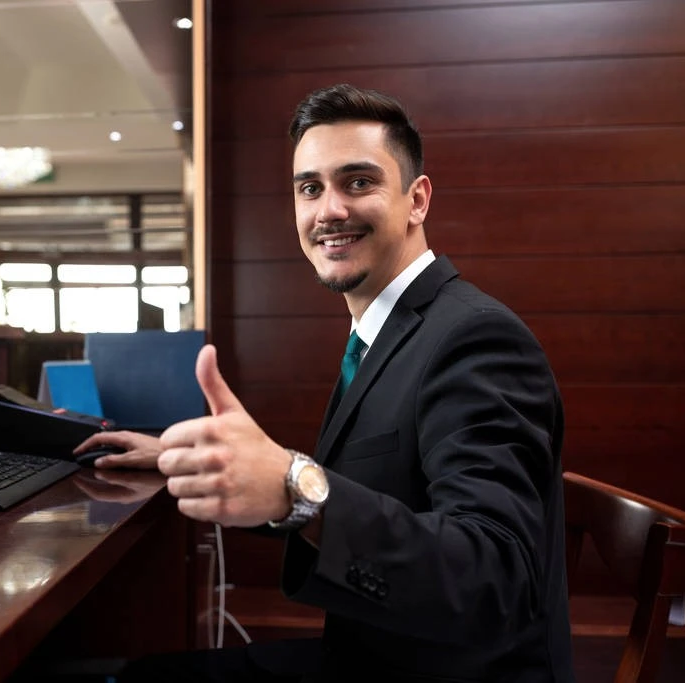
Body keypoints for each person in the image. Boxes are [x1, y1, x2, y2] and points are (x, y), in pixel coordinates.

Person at [74, 84, 574, 682]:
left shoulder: (474, 337)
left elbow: (495, 578)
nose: (328, 210)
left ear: (417, 200)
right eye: (310, 188)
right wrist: (197, 460)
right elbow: (375, 495)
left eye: (358, 182)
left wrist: (294, 487)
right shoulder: (386, 332)